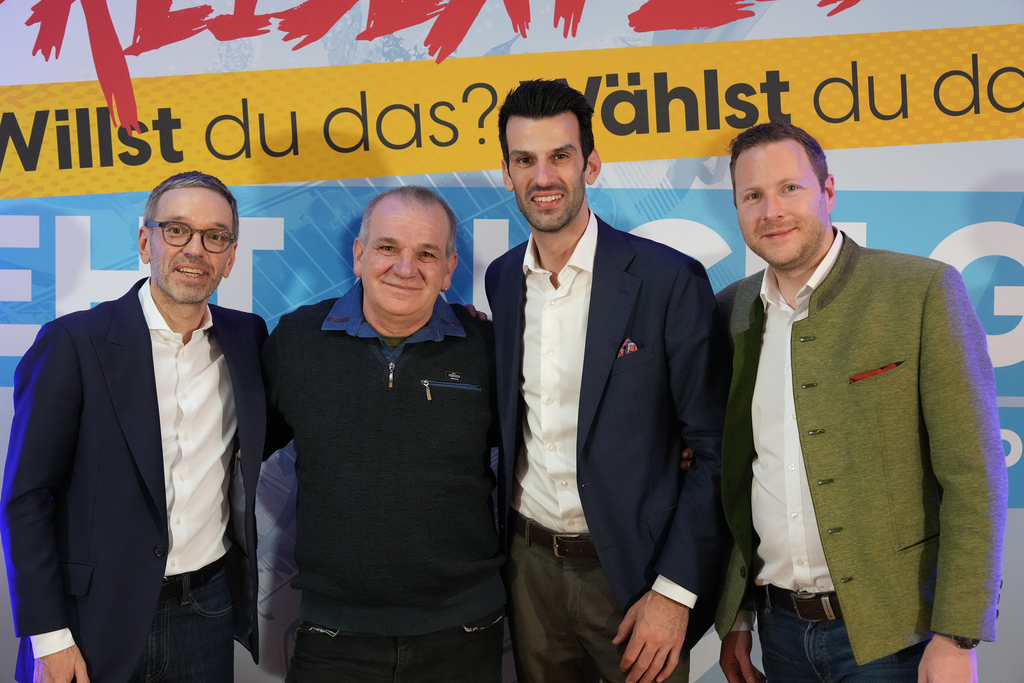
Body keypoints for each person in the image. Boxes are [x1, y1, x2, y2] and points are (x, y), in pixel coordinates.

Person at [715, 120, 1007, 683]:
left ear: (828, 191)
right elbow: (736, 475)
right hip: (778, 632)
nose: (771, 211)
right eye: (752, 196)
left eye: (789, 188)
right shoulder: (729, 311)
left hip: (899, 637)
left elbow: (974, 477)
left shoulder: (921, 291)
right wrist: (739, 615)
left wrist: (957, 636)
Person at [485, 79, 731, 683]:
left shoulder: (667, 280)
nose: (543, 177)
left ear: (591, 164)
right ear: (507, 173)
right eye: (525, 160)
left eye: (560, 156)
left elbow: (716, 449)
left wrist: (674, 591)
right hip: (528, 570)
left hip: (635, 576)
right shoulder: (501, 280)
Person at [1, 171, 270, 682]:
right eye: (177, 230)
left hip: (206, 610)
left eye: (215, 236)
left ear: (231, 257)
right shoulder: (73, 343)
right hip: (92, 619)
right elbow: (26, 499)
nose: (196, 249)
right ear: (146, 242)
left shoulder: (247, 337)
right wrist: (49, 637)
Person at [263, 186, 505, 682]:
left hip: (464, 632)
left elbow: (545, 451)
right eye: (388, 247)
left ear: (449, 270)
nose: (405, 267)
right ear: (359, 255)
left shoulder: (487, 347)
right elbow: (234, 447)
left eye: (427, 254)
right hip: (333, 635)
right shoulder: (296, 340)